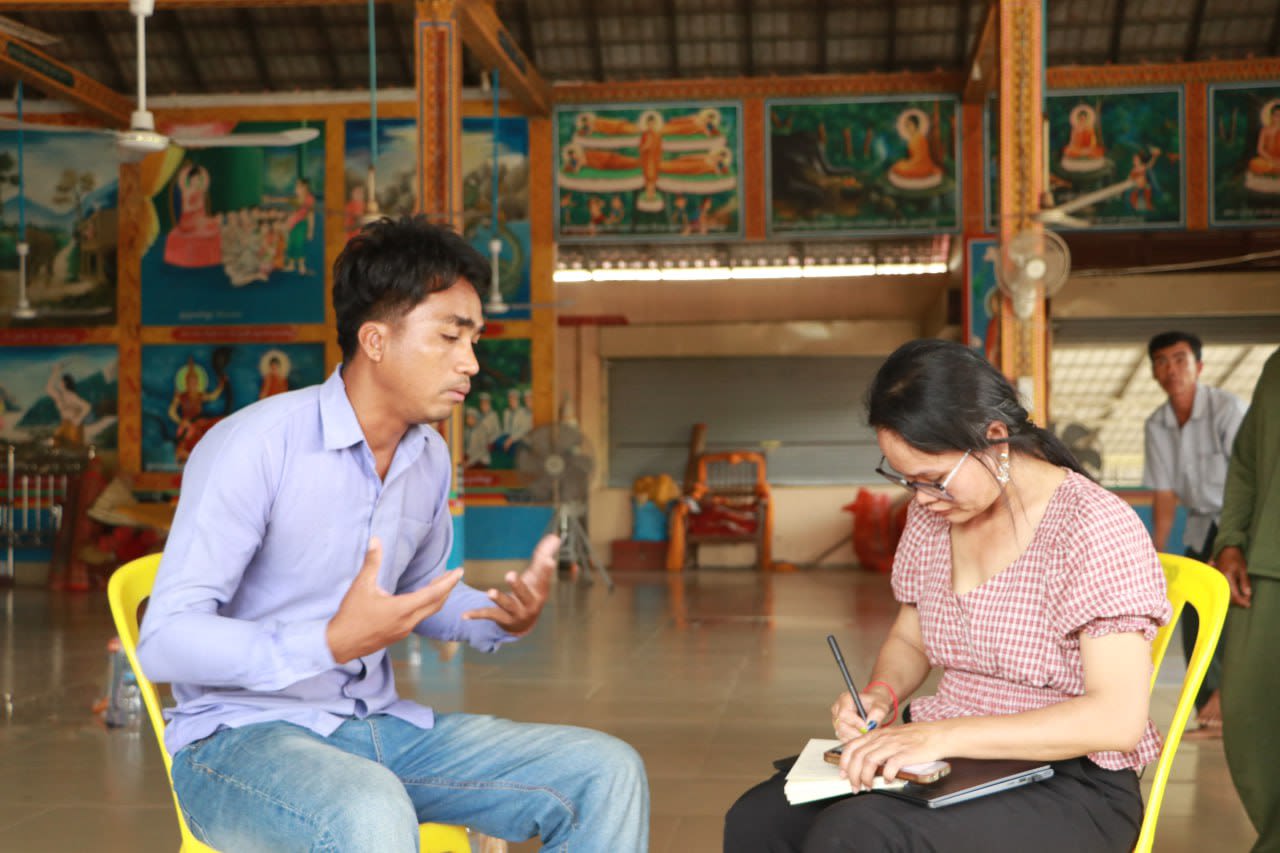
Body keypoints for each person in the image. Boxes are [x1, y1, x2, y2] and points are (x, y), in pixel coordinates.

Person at [136, 215, 648, 852]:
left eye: (475, 340)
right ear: (375, 341)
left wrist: (495, 615)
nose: (472, 362)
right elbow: (165, 641)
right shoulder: (255, 447)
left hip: (377, 728)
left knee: (605, 771)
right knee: (369, 808)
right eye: (450, 337)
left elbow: (418, 594)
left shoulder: (427, 456)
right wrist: (325, 642)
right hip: (242, 741)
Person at [724, 339, 1169, 853]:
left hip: (1069, 780)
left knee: (856, 836)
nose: (922, 500)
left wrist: (940, 736)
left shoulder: (1090, 525)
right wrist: (881, 696)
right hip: (948, 760)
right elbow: (912, 641)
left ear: (994, 439)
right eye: (908, 481)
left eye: (934, 480)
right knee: (759, 818)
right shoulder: (931, 516)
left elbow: (1116, 719)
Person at [1143, 330, 1247, 736]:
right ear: (1153, 371)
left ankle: (1230, 699)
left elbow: (1246, 478)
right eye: (1162, 361)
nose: (1172, 369)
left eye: (1180, 359)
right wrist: (1155, 556)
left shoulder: (1228, 409)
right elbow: (1165, 495)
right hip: (1203, 522)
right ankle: (1207, 706)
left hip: (1241, 519)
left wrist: (1231, 544)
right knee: (1189, 608)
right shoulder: (1157, 424)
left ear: (1199, 367)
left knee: (1236, 606)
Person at [1212, 347, 1280, 853]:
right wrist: (1231, 537)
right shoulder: (1276, 366)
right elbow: (1247, 463)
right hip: (1265, 564)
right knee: (1250, 715)